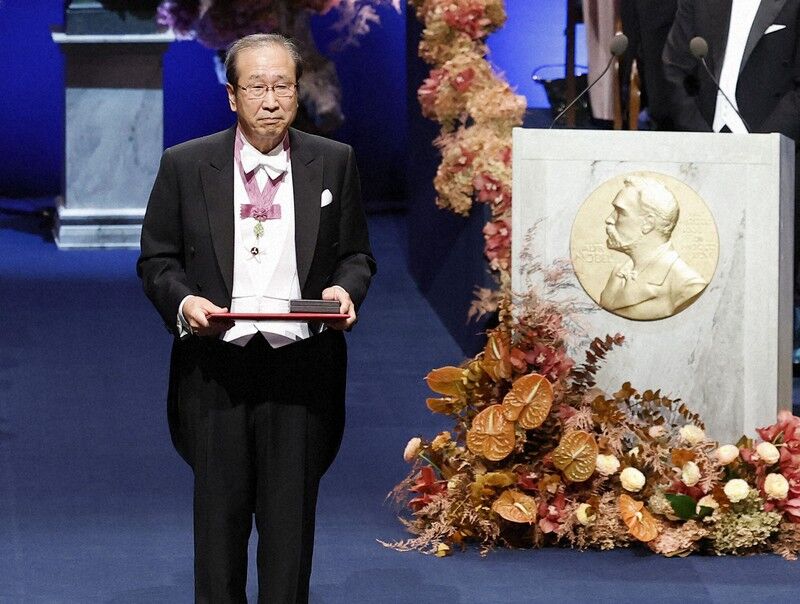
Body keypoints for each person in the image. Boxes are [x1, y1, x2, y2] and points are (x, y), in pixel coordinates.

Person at [137, 33, 376, 603]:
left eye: (282, 86)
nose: (271, 101)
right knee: (217, 534)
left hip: (301, 369)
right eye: (256, 87)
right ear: (232, 96)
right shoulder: (186, 164)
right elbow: (157, 260)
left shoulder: (334, 161)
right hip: (215, 368)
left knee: (289, 535)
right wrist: (185, 304)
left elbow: (356, 255)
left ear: (298, 91)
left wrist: (345, 290)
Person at [599, 176, 706, 320]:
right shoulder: (618, 273)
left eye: (620, 212)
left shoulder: (687, 285)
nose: (609, 219)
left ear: (648, 223)